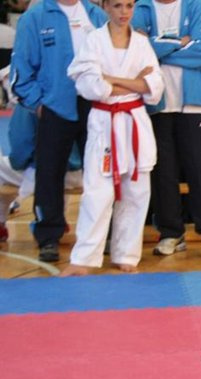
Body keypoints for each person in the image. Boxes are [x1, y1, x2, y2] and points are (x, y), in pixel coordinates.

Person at [59, 0, 164, 276]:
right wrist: (133, 83)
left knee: (136, 191)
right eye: (117, 6)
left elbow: (154, 87)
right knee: (97, 192)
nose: (124, 12)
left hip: (134, 122)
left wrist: (112, 79)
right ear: (105, 7)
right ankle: (84, 258)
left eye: (129, 6)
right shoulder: (93, 40)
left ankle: (126, 254)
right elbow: (90, 85)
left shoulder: (141, 43)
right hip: (105, 122)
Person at [10, 0, 108, 262]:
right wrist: (38, 103)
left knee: (100, 172)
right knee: (49, 172)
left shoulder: (96, 15)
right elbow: (21, 67)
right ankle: (48, 236)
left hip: (94, 105)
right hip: (55, 105)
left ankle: (101, 234)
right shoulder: (35, 17)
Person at [132, 0, 201, 258]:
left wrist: (158, 47)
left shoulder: (196, 6)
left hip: (195, 103)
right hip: (158, 105)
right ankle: (171, 233)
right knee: (163, 173)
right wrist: (180, 42)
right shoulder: (141, 8)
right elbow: (138, 52)